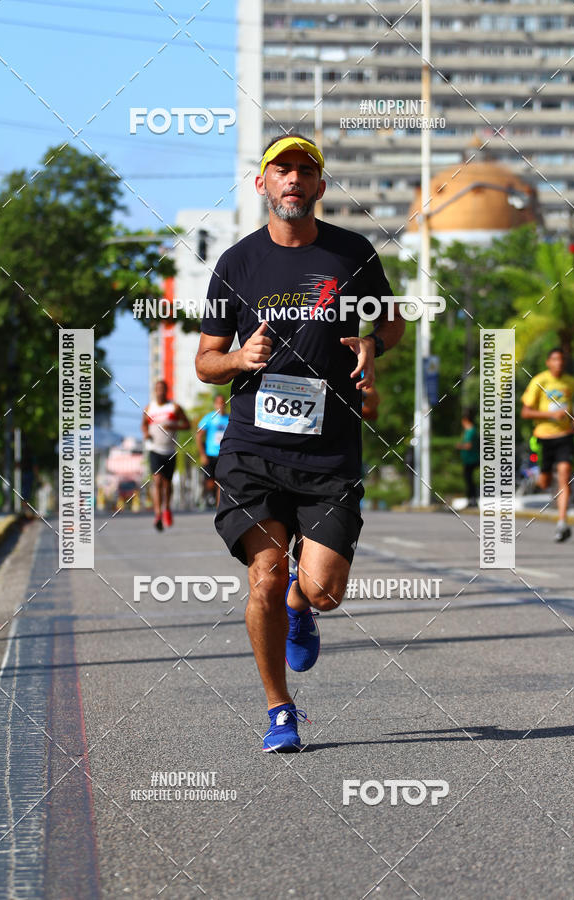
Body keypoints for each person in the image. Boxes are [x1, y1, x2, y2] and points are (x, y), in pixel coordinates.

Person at [195, 133, 405, 752]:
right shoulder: (235, 264)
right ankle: (279, 709)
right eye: (280, 170)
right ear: (262, 184)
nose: (292, 180)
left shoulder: (353, 253)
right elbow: (205, 362)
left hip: (329, 453)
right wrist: (238, 358)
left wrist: (374, 344)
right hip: (252, 450)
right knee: (264, 572)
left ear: (319, 186)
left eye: (304, 171)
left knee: (323, 590)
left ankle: (301, 604)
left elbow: (389, 320)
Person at [521, 348, 574, 542]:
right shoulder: (539, 381)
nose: (559, 363)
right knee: (545, 482)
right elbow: (526, 412)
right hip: (543, 437)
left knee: (565, 474)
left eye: (562, 359)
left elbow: (573, 409)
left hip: (564, 436)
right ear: (548, 362)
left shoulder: (571, 382)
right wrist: (550, 415)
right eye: (555, 359)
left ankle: (562, 522)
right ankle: (542, 479)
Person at [142, 379, 190, 531]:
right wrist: (146, 434)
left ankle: (167, 508)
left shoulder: (174, 407)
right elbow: (144, 424)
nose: (160, 391)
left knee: (167, 484)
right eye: (158, 389)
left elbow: (187, 424)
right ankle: (157, 514)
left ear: (166, 390)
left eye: (163, 389)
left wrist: (174, 425)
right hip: (154, 449)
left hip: (170, 451)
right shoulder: (150, 407)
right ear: (155, 391)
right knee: (157, 482)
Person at [196, 394, 229, 507]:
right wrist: (202, 454)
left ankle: (218, 509)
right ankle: (211, 494)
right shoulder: (209, 418)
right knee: (210, 482)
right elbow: (199, 436)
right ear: (215, 404)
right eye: (218, 402)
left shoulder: (230, 418)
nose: (221, 405)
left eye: (222, 402)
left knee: (221, 482)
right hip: (210, 454)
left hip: (224, 455)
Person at [456, 409, 480, 506]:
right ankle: (471, 499)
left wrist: (460, 446)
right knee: (468, 479)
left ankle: (472, 499)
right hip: (468, 459)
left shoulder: (471, 431)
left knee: (469, 480)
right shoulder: (468, 431)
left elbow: (469, 445)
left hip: (472, 459)